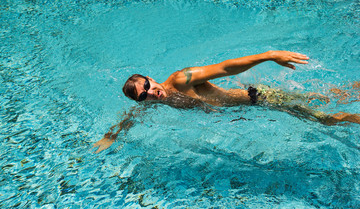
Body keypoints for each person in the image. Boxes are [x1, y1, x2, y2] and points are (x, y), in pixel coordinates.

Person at [93, 50, 360, 153]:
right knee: (329, 97)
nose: (151, 92)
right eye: (144, 95)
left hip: (262, 99)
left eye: (148, 86)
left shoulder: (181, 79)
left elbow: (225, 68)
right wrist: (111, 136)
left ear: (151, 78)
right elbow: (131, 118)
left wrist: (269, 55)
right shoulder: (156, 102)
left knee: (326, 119)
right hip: (256, 103)